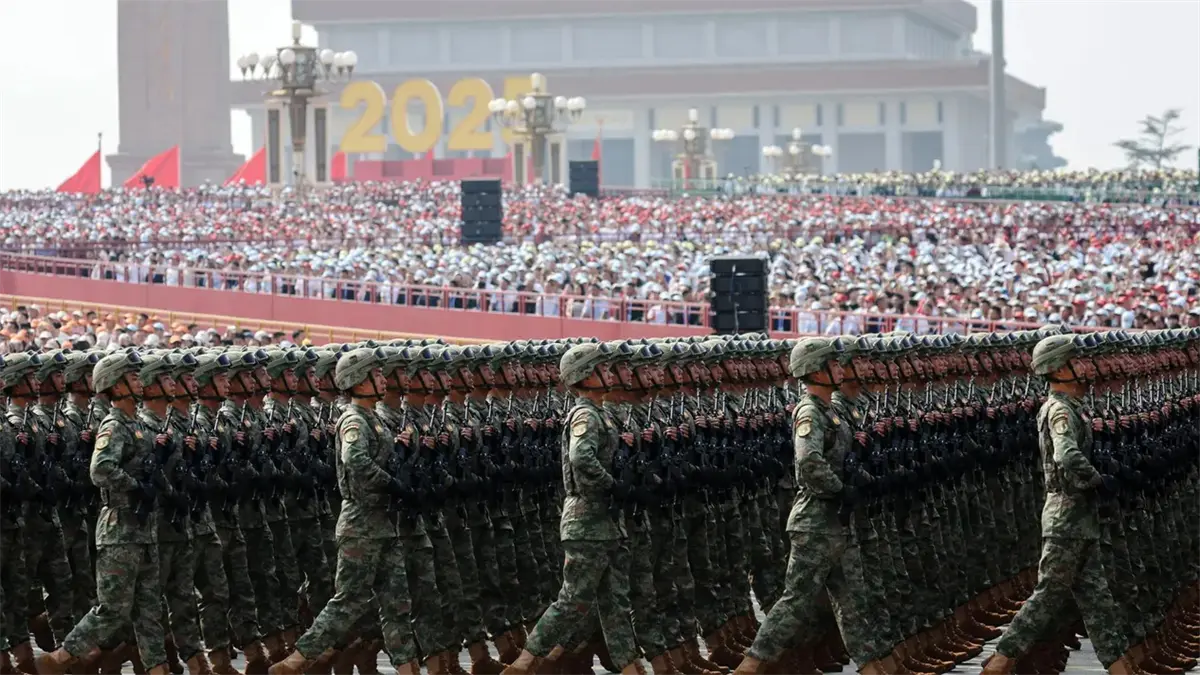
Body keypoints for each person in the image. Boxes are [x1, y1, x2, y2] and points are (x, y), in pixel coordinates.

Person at [980, 334, 1132, 675]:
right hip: (1067, 517)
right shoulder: (1060, 409)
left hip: (1080, 519)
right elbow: (1066, 455)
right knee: (1049, 594)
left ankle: (1123, 669)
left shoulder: (1073, 406)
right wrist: (1096, 480)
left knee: (1099, 603)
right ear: (1059, 368)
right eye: (1076, 360)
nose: (1085, 366)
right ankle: (1000, 661)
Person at [269, 347, 425, 675]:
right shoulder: (354, 419)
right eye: (376, 374)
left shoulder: (375, 419)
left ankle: (408, 669)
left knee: (397, 604)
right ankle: (297, 661)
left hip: (384, 522)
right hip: (361, 523)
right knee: (349, 601)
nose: (383, 379)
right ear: (358, 380)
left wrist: (401, 453)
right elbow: (355, 461)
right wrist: (392, 484)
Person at [733, 337, 882, 675]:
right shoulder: (810, 412)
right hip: (815, 521)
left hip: (834, 521)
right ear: (815, 370)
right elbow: (809, 462)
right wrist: (840, 489)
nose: (840, 370)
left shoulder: (830, 410)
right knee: (796, 601)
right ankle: (751, 665)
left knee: (853, 603)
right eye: (832, 364)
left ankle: (875, 667)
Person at [500, 343, 644, 675]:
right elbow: (582, 459)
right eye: (599, 368)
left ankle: (630, 668)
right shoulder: (585, 415)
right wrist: (612, 484)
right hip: (587, 521)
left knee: (615, 604)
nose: (608, 373)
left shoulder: (600, 413)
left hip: (606, 521)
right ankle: (523, 664)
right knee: (572, 602)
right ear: (582, 375)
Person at [36, 350, 170, 675]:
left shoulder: (136, 423)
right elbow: (100, 470)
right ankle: (60, 659)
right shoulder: (114, 425)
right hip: (120, 530)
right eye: (133, 377)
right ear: (116, 384)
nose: (140, 382)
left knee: (150, 610)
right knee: (112, 610)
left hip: (143, 528)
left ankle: (157, 669)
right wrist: (135, 485)